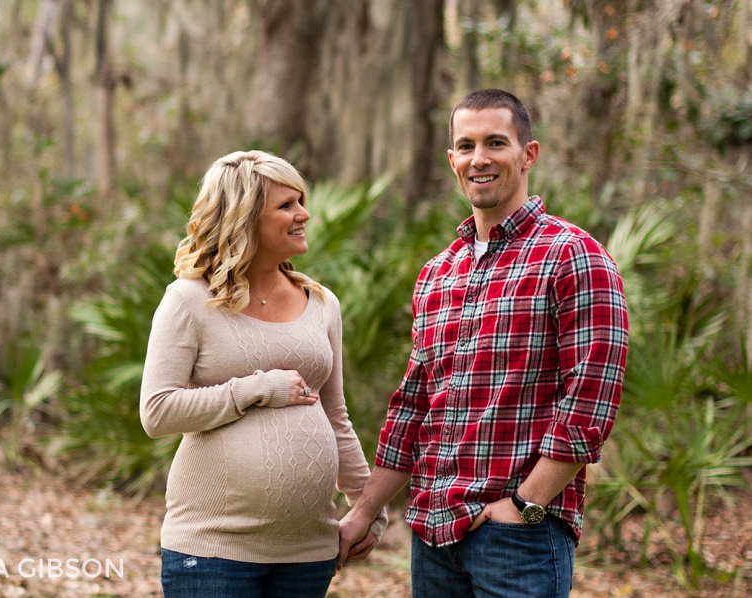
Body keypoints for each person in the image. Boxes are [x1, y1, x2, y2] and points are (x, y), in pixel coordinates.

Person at [337, 89, 629, 597]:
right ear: (452, 159)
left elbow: (591, 401)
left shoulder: (573, 256)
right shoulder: (438, 273)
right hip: (432, 534)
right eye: (466, 146)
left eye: (496, 142)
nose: (480, 159)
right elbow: (413, 407)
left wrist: (524, 506)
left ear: (528, 154)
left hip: (519, 540)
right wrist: (362, 512)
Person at [139, 150, 386, 598]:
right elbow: (157, 412)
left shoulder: (322, 303)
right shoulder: (188, 300)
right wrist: (256, 389)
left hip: (309, 552)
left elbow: (336, 417)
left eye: (301, 201)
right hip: (214, 549)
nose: (304, 214)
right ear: (244, 216)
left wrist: (367, 508)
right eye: (286, 205)